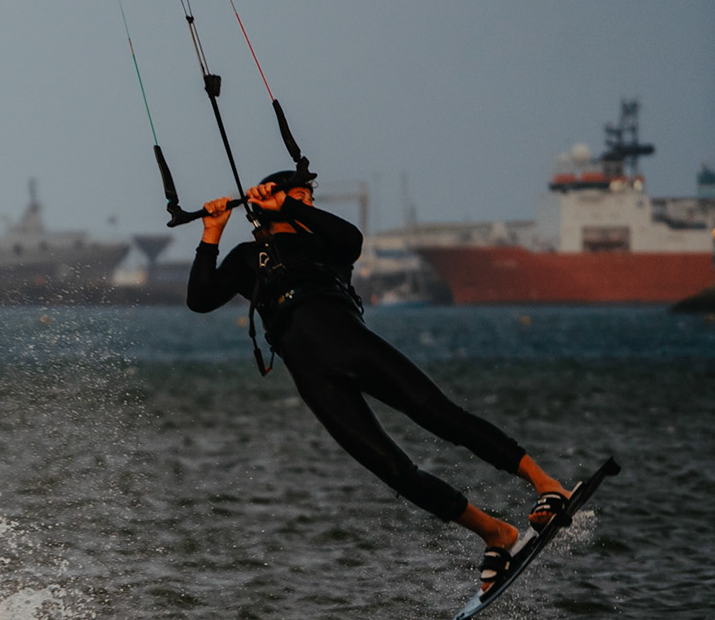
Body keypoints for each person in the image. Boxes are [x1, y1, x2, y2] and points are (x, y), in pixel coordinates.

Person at [187, 171, 570, 594]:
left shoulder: (324, 244)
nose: (307, 205)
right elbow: (200, 300)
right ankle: (495, 534)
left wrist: (288, 204)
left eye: (308, 200)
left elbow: (351, 238)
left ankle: (547, 485)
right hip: (313, 376)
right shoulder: (247, 257)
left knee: (441, 416)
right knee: (394, 470)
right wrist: (211, 233)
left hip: (355, 346)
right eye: (299, 197)